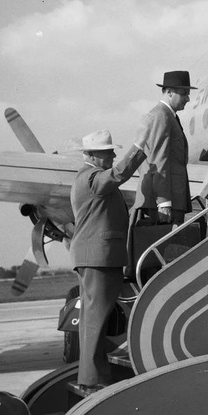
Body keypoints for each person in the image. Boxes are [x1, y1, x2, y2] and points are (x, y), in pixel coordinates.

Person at [70, 130, 146, 393]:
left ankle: (96, 376)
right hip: (98, 259)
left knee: (95, 318)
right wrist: (139, 148)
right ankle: (91, 380)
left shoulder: (90, 178)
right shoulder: (89, 177)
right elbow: (117, 174)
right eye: (107, 152)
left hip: (98, 258)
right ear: (91, 156)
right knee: (95, 319)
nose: (113, 155)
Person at [133, 70, 196, 226]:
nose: (188, 99)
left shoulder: (168, 115)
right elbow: (158, 161)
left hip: (170, 200)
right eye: (184, 94)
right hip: (165, 203)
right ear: (169, 92)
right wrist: (163, 202)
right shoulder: (162, 116)